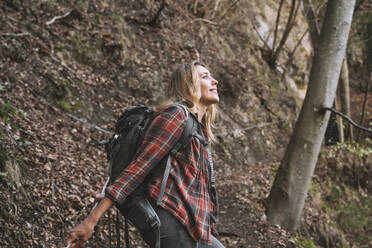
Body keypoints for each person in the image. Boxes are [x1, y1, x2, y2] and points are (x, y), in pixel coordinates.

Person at [65, 61, 225, 248]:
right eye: (205, 76)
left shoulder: (199, 130)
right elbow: (137, 169)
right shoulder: (176, 116)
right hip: (170, 219)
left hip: (192, 227)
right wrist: (91, 221)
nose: (214, 82)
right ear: (189, 84)